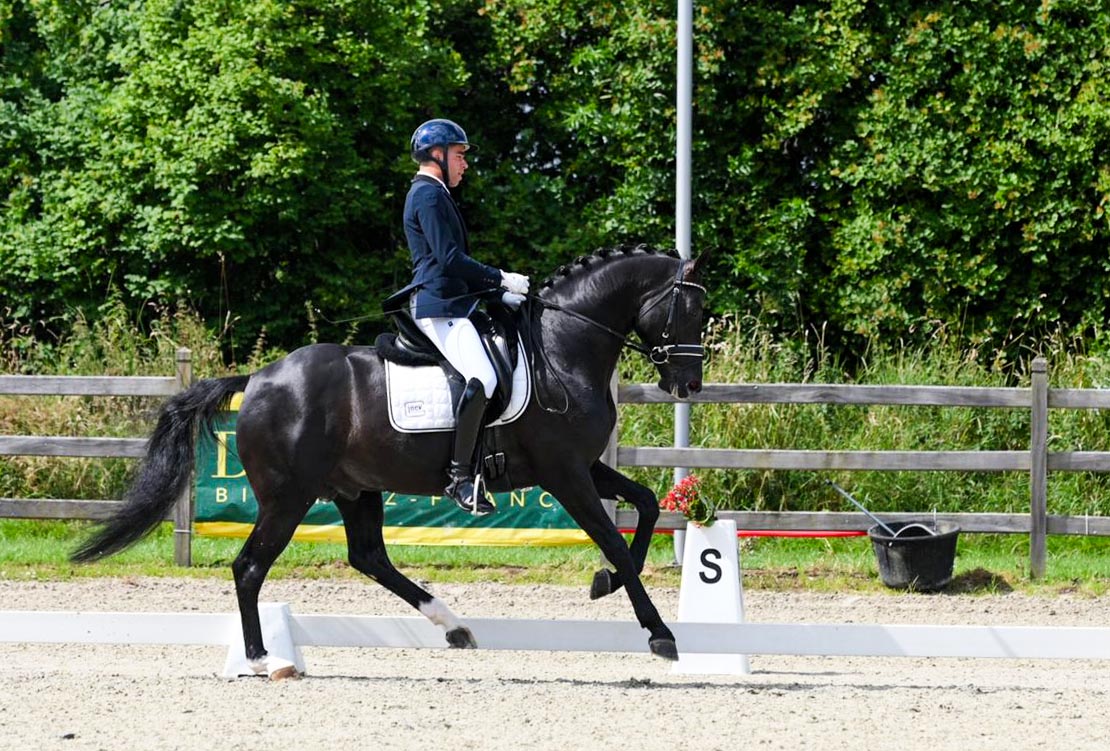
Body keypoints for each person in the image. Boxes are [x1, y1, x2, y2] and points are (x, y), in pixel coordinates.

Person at [401, 118, 530, 515]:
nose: (465, 164)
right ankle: (459, 478)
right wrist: (500, 277)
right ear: (436, 155)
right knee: (484, 377)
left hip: (454, 302)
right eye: (459, 155)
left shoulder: (436, 194)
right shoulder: (427, 195)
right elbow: (449, 260)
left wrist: (497, 294)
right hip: (439, 308)